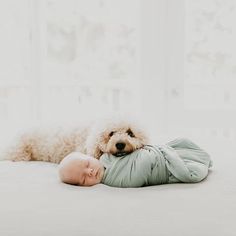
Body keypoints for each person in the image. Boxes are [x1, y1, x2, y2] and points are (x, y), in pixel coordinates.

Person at [58, 138, 213, 188]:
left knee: (182, 142)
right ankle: (200, 161)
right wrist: (147, 153)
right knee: (193, 173)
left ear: (90, 156)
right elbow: (137, 176)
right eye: (83, 178)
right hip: (163, 167)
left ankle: (202, 157)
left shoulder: (105, 158)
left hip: (155, 153)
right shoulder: (113, 180)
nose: (90, 172)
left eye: (87, 165)